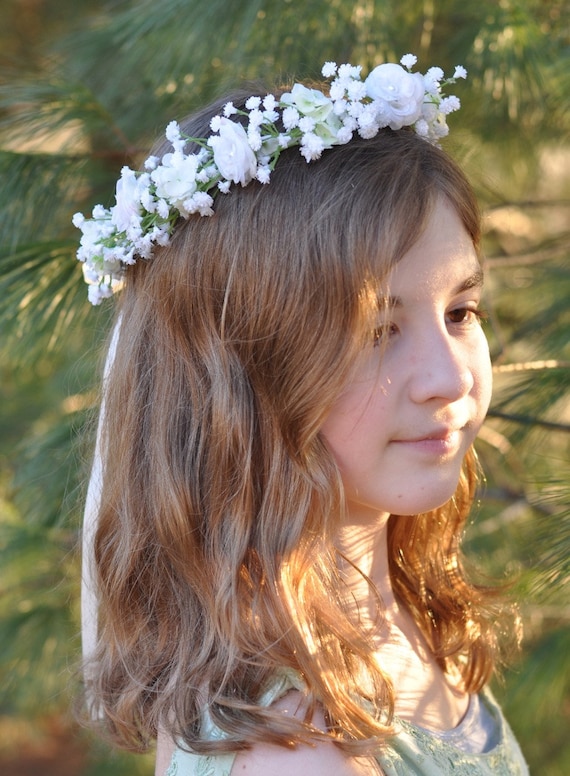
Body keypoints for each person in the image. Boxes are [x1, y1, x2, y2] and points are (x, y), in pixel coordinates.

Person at [76, 55, 529, 775]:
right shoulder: (295, 749)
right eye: (377, 331)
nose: (448, 378)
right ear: (240, 374)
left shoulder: (391, 618)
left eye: (460, 311)